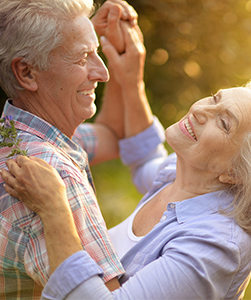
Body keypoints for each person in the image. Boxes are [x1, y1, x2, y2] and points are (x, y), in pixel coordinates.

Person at [1, 73, 251, 299]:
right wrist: (130, 76)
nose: (199, 109)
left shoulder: (215, 246)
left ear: (235, 172)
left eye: (223, 122)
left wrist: (55, 209)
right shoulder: (182, 175)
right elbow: (145, 161)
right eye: (214, 97)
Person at [0, 0, 144, 297]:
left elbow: (112, 134)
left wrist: (119, 57)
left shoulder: (15, 133)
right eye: (82, 58)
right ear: (26, 73)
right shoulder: (53, 178)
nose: (102, 72)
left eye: (98, 54)